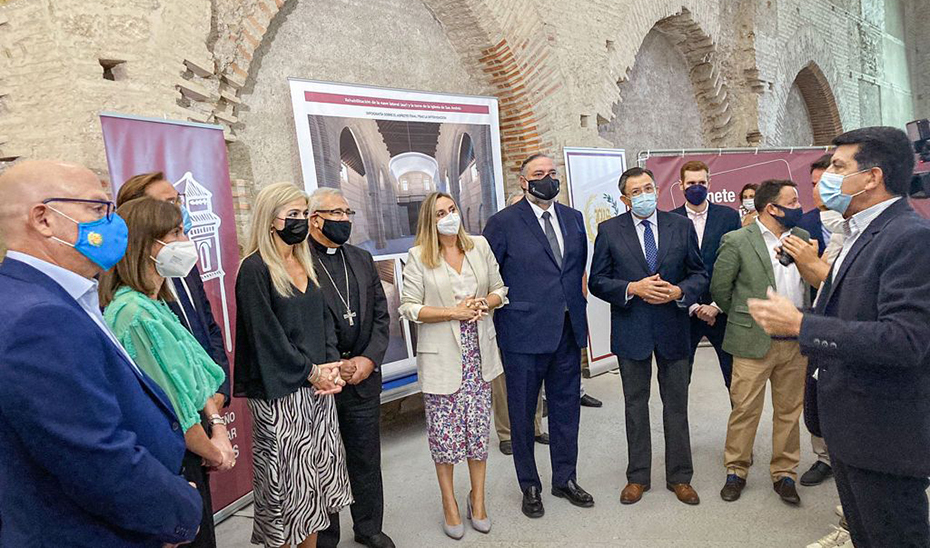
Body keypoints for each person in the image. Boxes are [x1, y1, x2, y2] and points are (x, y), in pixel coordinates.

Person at [0, 160, 201, 546]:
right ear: (43, 219)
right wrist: (179, 511)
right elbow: (94, 455)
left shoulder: (49, 296)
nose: (114, 223)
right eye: (98, 209)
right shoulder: (39, 318)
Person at [747, 126, 930, 548]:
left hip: (884, 435)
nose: (826, 175)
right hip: (850, 427)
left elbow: (905, 340)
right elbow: (852, 314)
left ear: (872, 177)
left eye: (837, 166)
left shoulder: (910, 239)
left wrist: (800, 325)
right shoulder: (857, 232)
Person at [99, 198, 235, 541]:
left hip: (194, 448)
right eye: (175, 232)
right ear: (147, 245)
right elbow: (171, 405)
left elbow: (194, 373)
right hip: (174, 458)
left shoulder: (156, 302)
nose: (185, 241)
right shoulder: (132, 313)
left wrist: (217, 426)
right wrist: (213, 449)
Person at [234, 182, 352, 548]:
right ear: (271, 221)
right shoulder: (254, 269)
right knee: (290, 494)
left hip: (317, 390)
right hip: (281, 393)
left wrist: (330, 367)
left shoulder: (304, 261)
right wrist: (312, 372)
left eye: (304, 213)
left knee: (317, 492)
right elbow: (267, 337)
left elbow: (321, 320)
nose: (301, 221)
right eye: (294, 215)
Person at [484, 153, 594, 519]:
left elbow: (575, 270)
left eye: (551, 172)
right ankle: (529, 485)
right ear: (523, 181)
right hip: (523, 333)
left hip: (567, 330)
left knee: (566, 411)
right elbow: (491, 276)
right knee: (522, 412)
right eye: (538, 174)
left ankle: (565, 478)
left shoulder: (574, 218)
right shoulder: (502, 223)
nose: (547, 178)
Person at [589, 166, 707, 506]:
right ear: (626, 199)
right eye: (637, 191)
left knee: (676, 406)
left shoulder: (680, 226)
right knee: (635, 406)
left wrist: (679, 292)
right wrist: (632, 288)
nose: (645, 195)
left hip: (673, 328)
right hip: (632, 331)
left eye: (649, 188)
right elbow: (597, 280)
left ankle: (680, 477)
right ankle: (638, 477)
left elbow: (699, 273)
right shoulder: (610, 231)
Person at [399, 192, 506, 539]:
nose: (449, 217)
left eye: (452, 210)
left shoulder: (479, 245)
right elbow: (410, 307)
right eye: (440, 213)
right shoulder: (418, 256)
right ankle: (449, 504)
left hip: (479, 355)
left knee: (477, 435)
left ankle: (478, 500)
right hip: (442, 358)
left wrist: (483, 302)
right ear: (429, 222)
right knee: (444, 441)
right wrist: (452, 312)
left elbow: (500, 290)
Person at [710, 179, 811, 506]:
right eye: (793, 201)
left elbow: (810, 284)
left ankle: (785, 474)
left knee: (789, 411)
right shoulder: (738, 240)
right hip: (751, 340)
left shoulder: (802, 239)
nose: (799, 207)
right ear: (773, 208)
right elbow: (720, 290)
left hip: (795, 341)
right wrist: (745, 317)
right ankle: (736, 470)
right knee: (745, 409)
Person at [306, 188, 395, 548]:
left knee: (365, 456)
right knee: (325, 461)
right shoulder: (299, 262)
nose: (344, 220)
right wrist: (333, 365)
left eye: (347, 212)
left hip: (362, 376)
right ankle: (327, 536)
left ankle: (369, 526)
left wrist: (368, 360)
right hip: (321, 381)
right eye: (336, 213)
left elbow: (380, 316)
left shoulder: (360, 258)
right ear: (314, 219)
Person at [670, 160, 741, 389]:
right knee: (678, 381)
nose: (696, 187)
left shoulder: (728, 217)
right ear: (681, 185)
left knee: (735, 380)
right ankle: (678, 427)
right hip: (683, 312)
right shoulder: (670, 220)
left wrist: (716, 305)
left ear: (710, 183)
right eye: (691, 183)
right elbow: (669, 268)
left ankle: (739, 426)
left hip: (721, 312)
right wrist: (691, 305)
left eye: (702, 182)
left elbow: (736, 264)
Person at [491, 192, 548, 456]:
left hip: (537, 317)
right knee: (504, 382)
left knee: (535, 379)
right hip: (507, 315)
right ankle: (506, 432)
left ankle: (535, 426)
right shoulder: (501, 230)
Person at [798, 154, 834, 256]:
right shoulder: (803, 224)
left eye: (823, 184)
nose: (817, 190)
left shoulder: (861, 219)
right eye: (814, 185)